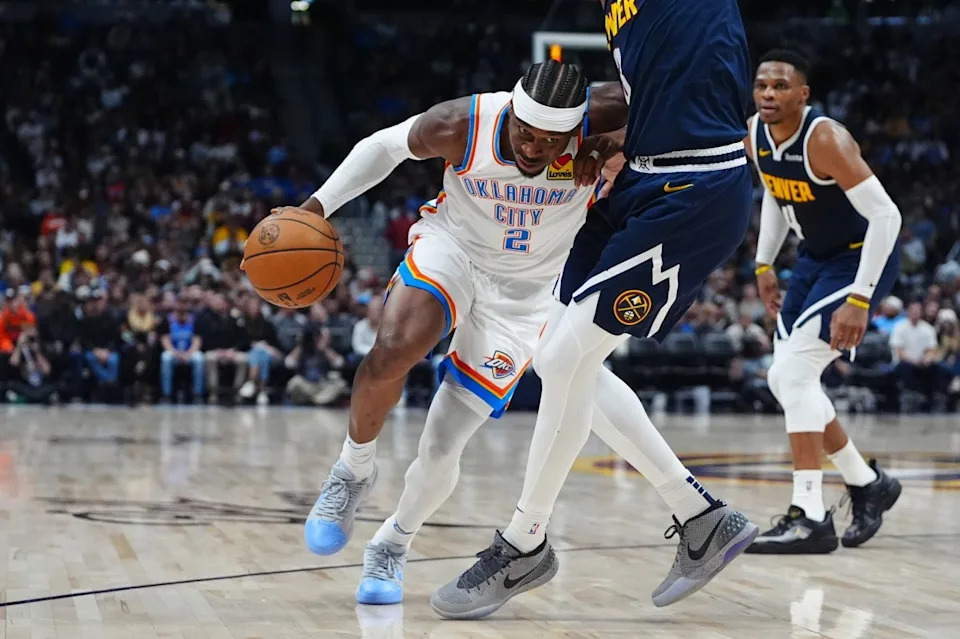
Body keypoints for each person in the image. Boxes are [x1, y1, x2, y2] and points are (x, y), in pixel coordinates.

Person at [274, 61, 652, 606]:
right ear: (514, 111)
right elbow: (383, 147)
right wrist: (315, 209)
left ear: (576, 128)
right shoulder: (462, 124)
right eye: (526, 133)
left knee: (442, 446)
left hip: (529, 292)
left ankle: (392, 543)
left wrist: (618, 140)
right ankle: (352, 470)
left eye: (552, 140)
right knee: (394, 348)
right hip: (454, 249)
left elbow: (681, 108)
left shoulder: (609, 114)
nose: (534, 148)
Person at [431, 0, 759, 618]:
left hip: (698, 187)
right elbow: (657, 88)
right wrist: (611, 138)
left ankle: (524, 541)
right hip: (638, 178)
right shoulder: (617, 12)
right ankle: (700, 517)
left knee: (562, 360)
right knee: (556, 349)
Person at [743, 50, 902, 554]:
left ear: (802, 94)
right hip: (814, 257)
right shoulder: (755, 135)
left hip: (860, 260)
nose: (769, 94)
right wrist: (764, 263)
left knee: (790, 376)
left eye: (781, 86)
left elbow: (887, 218)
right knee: (784, 377)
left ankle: (810, 515)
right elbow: (774, 193)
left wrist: (860, 297)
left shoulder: (825, 139)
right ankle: (866, 481)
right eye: (762, 86)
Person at [889, 300, 940, 397]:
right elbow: (899, 351)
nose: (915, 313)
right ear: (908, 311)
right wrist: (913, 361)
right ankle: (909, 395)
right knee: (905, 368)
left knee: (935, 367)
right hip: (905, 361)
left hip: (922, 362)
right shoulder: (899, 327)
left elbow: (931, 349)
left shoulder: (928, 328)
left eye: (918, 310)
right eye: (913, 310)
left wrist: (927, 359)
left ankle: (933, 396)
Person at [158, 297, 205, 402]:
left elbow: (197, 341)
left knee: (199, 359)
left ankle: (198, 394)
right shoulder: (167, 320)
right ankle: (167, 394)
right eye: (180, 303)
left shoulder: (194, 320)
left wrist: (188, 354)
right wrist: (176, 354)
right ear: (175, 305)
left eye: (184, 303)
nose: (182, 306)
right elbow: (165, 341)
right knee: (165, 358)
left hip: (189, 352)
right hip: (173, 352)